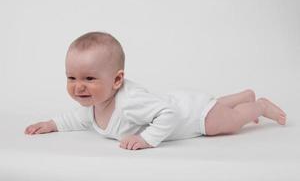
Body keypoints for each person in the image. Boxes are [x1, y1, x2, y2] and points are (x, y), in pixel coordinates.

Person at [24, 31, 287, 150]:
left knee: (226, 122)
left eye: (89, 78)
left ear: (117, 80)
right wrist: (52, 124)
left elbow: (169, 114)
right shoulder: (96, 104)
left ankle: (258, 106)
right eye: (71, 77)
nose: (78, 86)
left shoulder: (129, 103)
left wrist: (147, 140)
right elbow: (77, 118)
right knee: (215, 104)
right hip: (188, 102)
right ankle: (243, 96)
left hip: (194, 115)